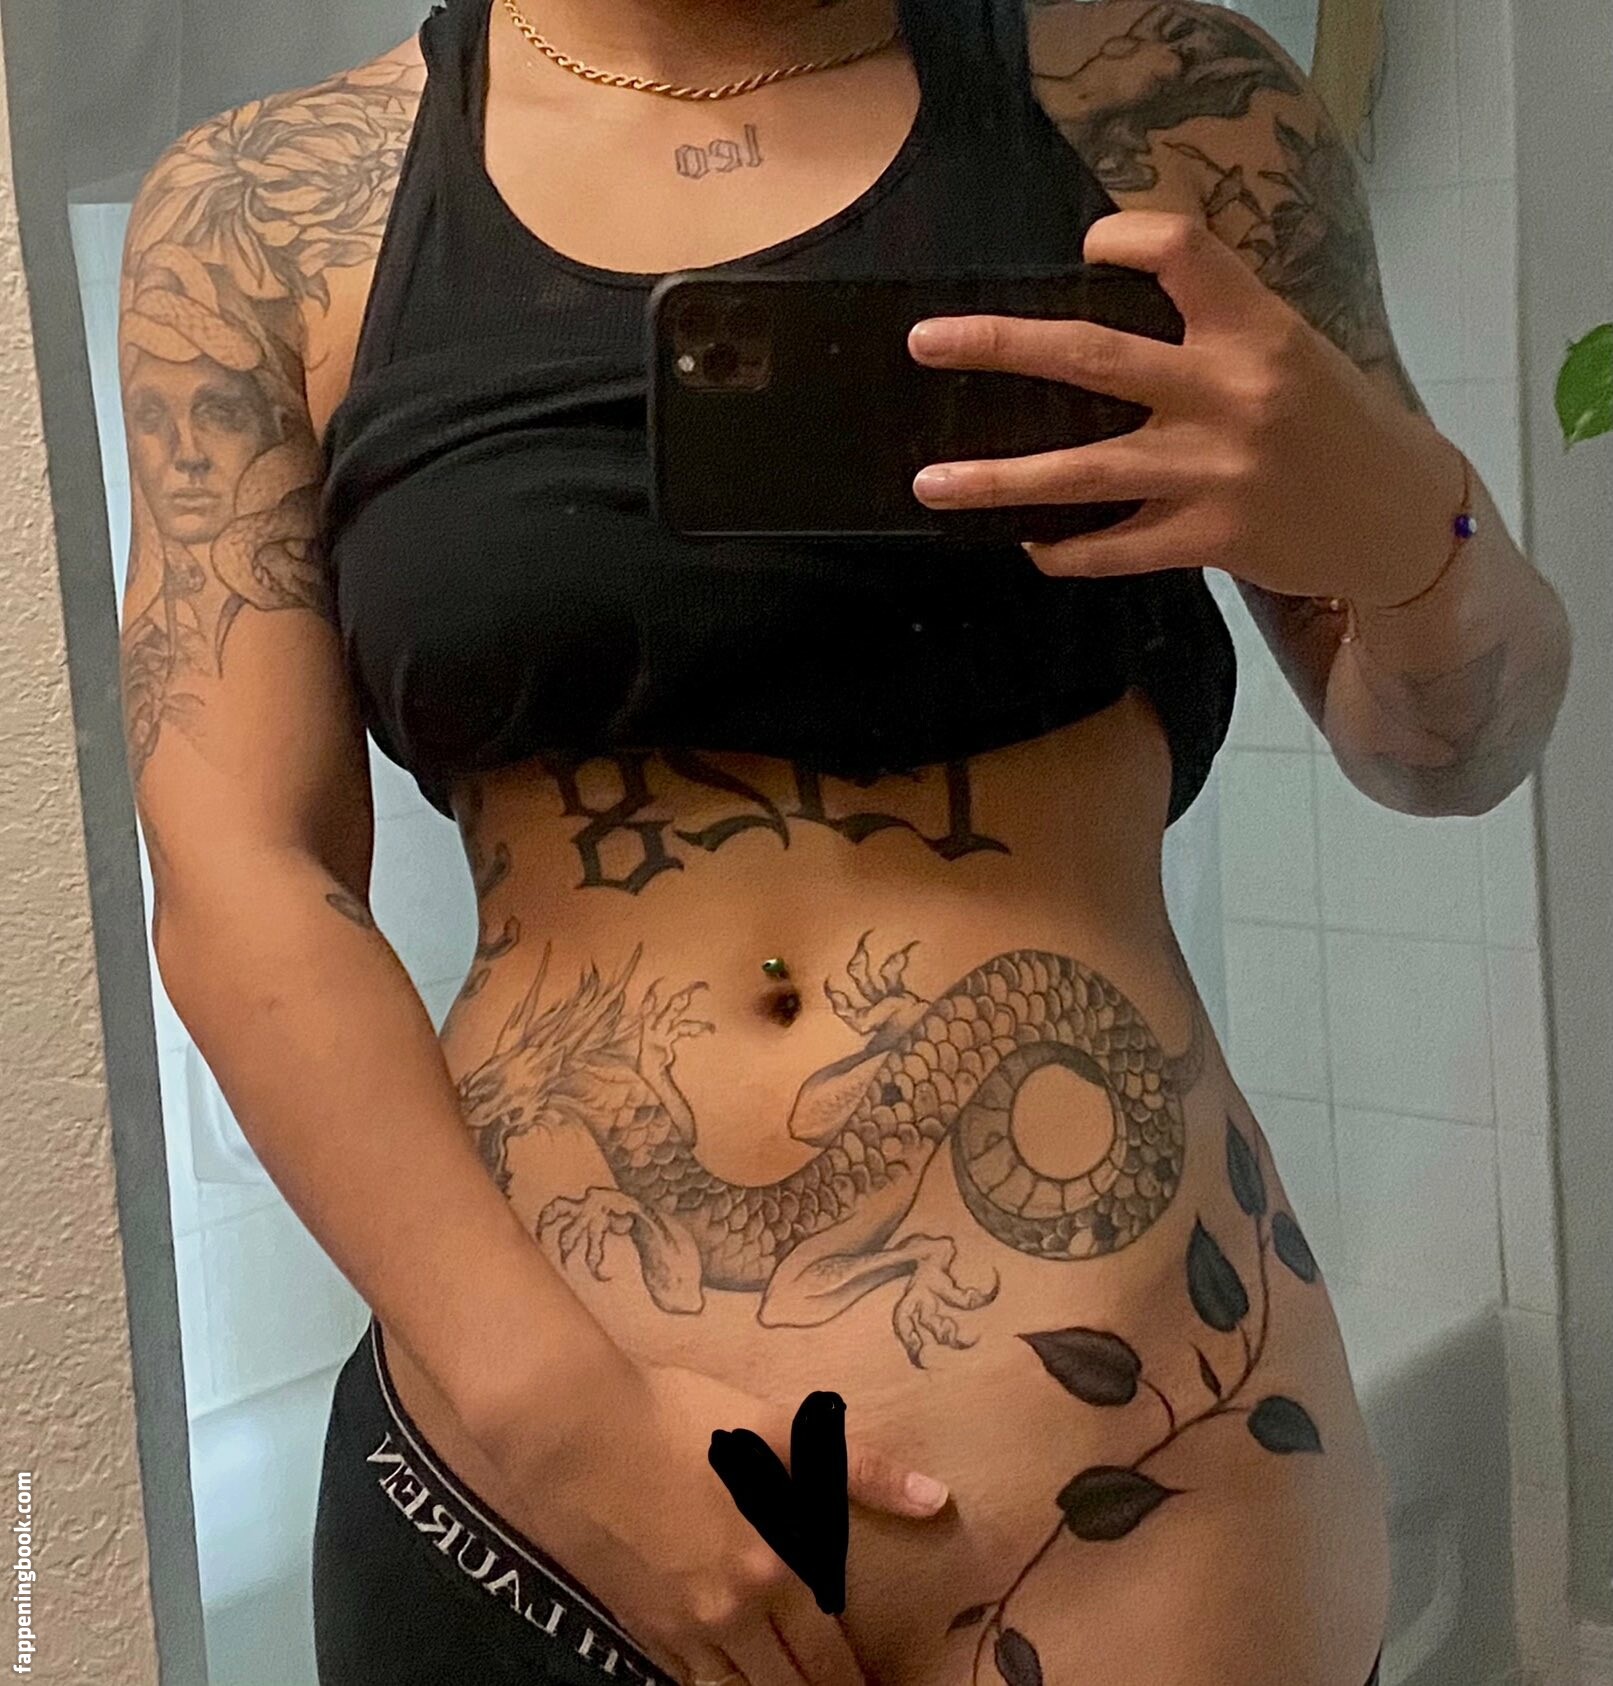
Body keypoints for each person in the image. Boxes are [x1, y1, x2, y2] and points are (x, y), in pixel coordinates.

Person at [115, 0, 1571, 1682]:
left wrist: (1409, 531)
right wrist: (566, 1427)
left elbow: (1456, 748)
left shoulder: (1168, 103)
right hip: (529, 1498)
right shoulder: (267, 210)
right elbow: (246, 877)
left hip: (1142, 1496)